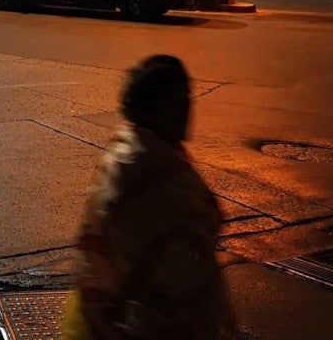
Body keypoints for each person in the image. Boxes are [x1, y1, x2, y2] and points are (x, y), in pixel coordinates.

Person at [64, 55, 236, 340]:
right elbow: (185, 272)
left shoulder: (133, 150)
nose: (187, 111)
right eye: (177, 103)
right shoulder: (154, 175)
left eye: (188, 99)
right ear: (155, 109)